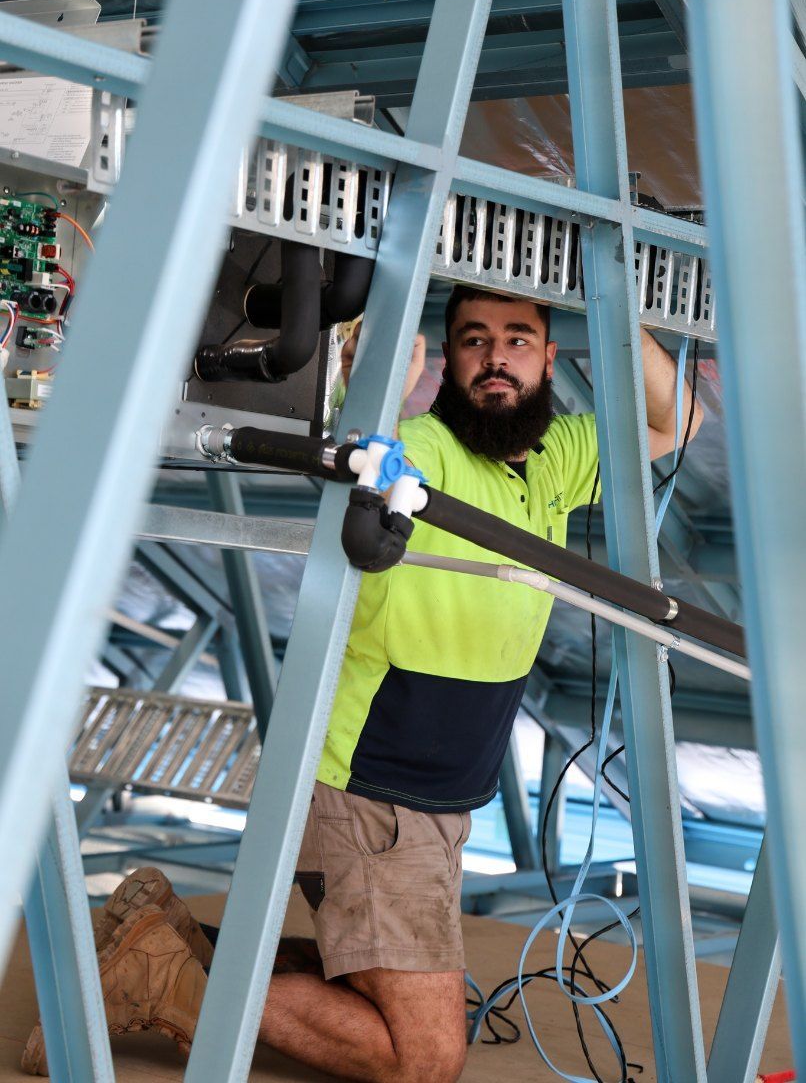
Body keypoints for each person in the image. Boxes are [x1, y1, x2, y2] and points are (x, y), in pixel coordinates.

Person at [22, 288, 701, 1081]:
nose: (495, 358)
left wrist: (620, 300)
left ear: (550, 361)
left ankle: (173, 936)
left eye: (518, 341)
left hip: (438, 805)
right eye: (475, 341)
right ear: (450, 362)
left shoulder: (559, 459)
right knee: (426, 1058)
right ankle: (165, 980)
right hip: (373, 798)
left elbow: (674, 422)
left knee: (415, 998)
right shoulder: (425, 454)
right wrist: (376, 391)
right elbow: (365, 458)